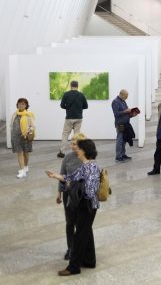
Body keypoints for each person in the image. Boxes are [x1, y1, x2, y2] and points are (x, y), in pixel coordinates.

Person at [46, 139, 100, 276]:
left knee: (79, 236)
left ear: (84, 151)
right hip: (89, 205)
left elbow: (89, 189)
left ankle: (73, 267)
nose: (77, 151)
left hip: (86, 206)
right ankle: (89, 260)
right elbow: (71, 177)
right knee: (86, 233)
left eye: (79, 148)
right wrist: (56, 176)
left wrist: (73, 187)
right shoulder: (88, 165)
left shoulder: (89, 167)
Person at [56, 133, 87, 260]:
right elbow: (62, 175)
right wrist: (59, 192)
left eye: (76, 144)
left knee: (81, 223)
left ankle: (81, 248)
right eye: (72, 143)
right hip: (69, 194)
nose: (73, 146)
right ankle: (70, 248)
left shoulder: (86, 158)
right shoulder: (67, 158)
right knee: (70, 222)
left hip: (82, 195)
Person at [58, 81, 88, 158]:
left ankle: (62, 152)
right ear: (77, 86)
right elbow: (86, 106)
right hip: (78, 117)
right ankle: (76, 151)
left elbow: (62, 105)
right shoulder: (81, 95)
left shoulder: (66, 94)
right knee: (76, 135)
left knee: (65, 134)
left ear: (70, 86)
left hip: (69, 118)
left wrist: (67, 108)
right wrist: (79, 108)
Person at [10, 98, 35, 178]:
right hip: (16, 137)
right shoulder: (14, 114)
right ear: (17, 104)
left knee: (26, 153)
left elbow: (33, 126)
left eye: (23, 104)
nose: (21, 105)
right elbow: (11, 125)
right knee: (19, 153)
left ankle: (26, 166)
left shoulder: (29, 115)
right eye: (19, 103)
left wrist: (28, 131)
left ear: (26, 105)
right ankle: (22, 170)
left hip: (25, 137)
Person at [111, 89, 137, 162]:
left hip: (126, 123)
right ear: (121, 94)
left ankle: (123, 154)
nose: (127, 98)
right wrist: (125, 111)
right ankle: (118, 157)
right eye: (126, 96)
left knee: (124, 140)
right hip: (120, 124)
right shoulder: (115, 102)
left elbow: (126, 113)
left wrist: (132, 114)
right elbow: (116, 114)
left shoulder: (123, 101)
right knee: (120, 140)